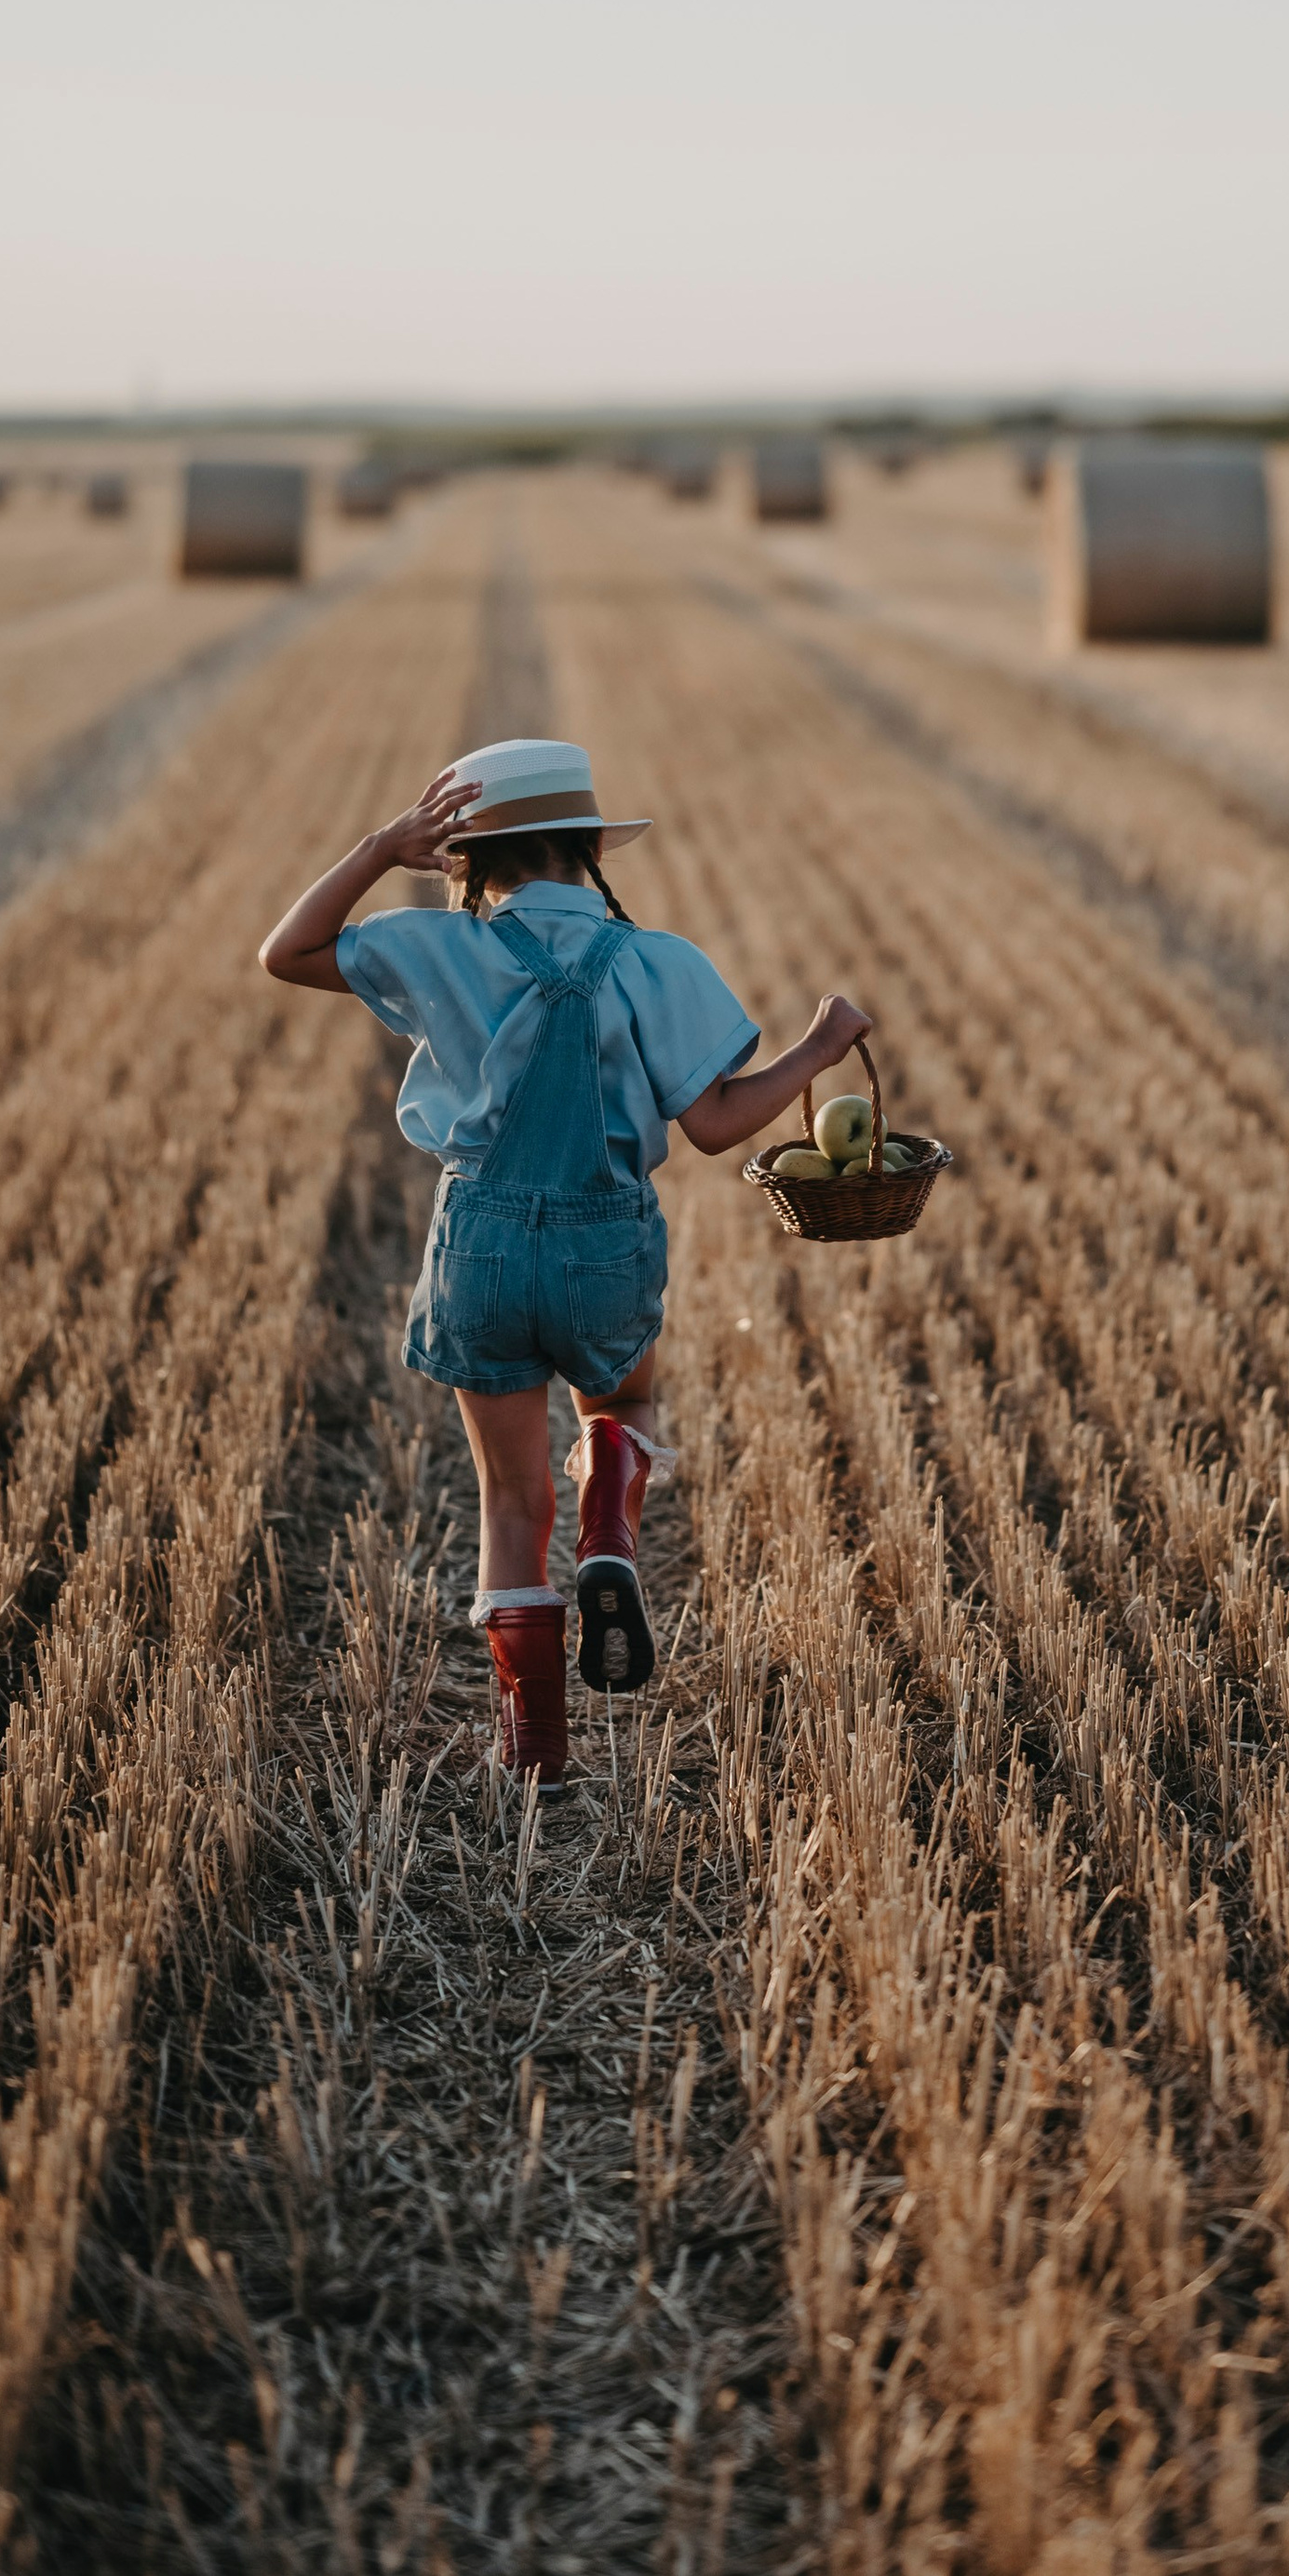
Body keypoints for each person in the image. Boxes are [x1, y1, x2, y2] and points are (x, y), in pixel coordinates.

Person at [258, 736, 872, 1793]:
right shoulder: (657, 960)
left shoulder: (437, 947)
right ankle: (610, 1533)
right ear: (589, 849)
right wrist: (817, 1051)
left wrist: (373, 850)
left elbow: (288, 952)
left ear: (463, 860)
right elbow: (720, 1126)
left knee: (507, 1503)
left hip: (479, 1251)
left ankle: (534, 1746)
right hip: (605, 1245)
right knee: (619, 1412)